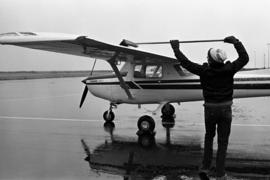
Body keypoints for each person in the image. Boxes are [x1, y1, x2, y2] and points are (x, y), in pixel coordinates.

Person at [170, 36, 249, 180]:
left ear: (211, 60)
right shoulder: (229, 69)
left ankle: (205, 167)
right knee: (222, 142)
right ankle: (220, 174)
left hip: (210, 110)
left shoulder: (204, 71)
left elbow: (185, 63)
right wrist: (236, 42)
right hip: (225, 110)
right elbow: (244, 58)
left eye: (208, 56)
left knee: (208, 138)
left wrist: (176, 48)